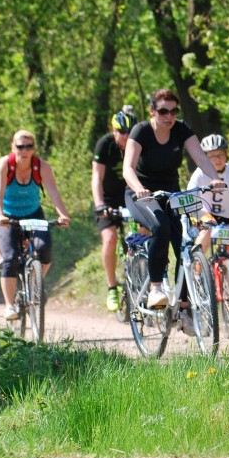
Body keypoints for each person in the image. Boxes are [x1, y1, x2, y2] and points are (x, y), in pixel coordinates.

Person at [122, 89, 225, 335]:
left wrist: (214, 178)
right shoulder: (141, 132)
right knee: (160, 227)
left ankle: (184, 307)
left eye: (173, 111)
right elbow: (127, 168)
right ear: (152, 112)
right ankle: (156, 287)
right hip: (141, 192)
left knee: (185, 245)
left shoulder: (181, 130)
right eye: (163, 111)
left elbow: (199, 156)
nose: (169, 116)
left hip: (170, 192)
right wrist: (139, 189)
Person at [0, 130, 71, 321]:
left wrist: (63, 214)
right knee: (10, 258)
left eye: (29, 147)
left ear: (34, 148)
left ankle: (35, 284)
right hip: (8, 216)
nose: (24, 151)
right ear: (13, 147)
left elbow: (53, 191)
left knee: (44, 250)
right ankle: (10, 306)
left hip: (34, 214)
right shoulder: (5, 164)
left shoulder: (41, 166)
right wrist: (0, 215)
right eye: (20, 146)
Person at [93, 108, 137, 311]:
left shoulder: (140, 142)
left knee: (145, 233)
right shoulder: (105, 145)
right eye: (121, 131)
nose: (126, 136)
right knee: (110, 238)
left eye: (130, 131)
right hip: (109, 199)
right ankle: (112, 287)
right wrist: (99, 204)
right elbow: (97, 178)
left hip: (133, 195)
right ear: (113, 130)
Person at [187, 134, 229, 252]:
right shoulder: (200, 172)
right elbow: (190, 192)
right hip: (204, 213)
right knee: (207, 229)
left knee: (228, 251)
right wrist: (192, 213)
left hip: (226, 216)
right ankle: (198, 266)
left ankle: (226, 267)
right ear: (205, 157)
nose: (217, 160)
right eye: (212, 156)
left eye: (220, 155)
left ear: (226, 154)